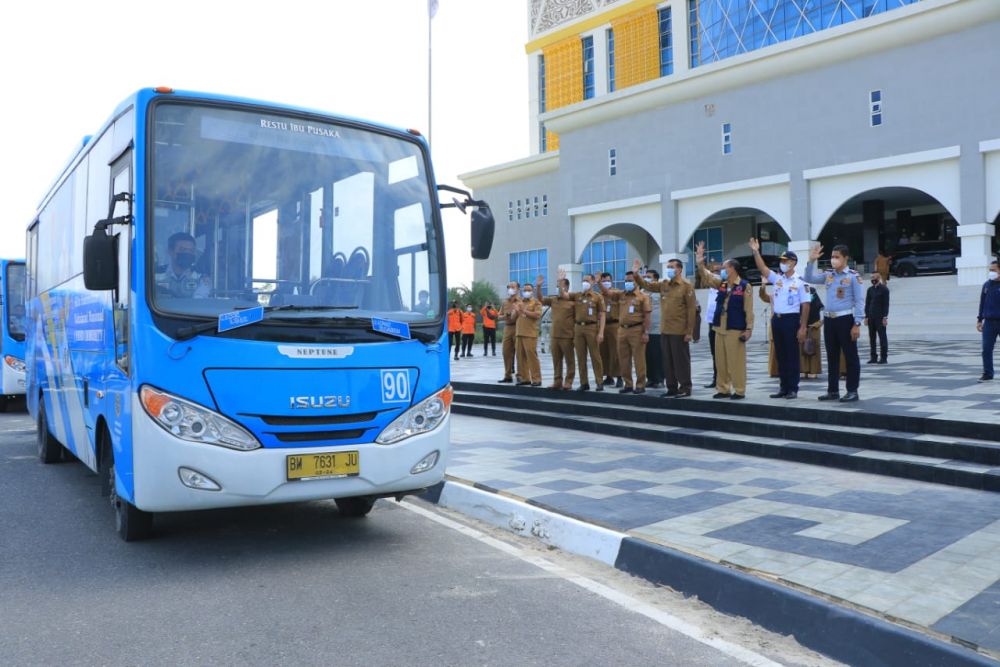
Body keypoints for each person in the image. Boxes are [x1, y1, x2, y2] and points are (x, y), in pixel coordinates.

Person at [804, 244, 865, 402]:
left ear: (845, 258)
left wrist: (857, 323)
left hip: (845, 320)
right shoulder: (828, 275)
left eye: (837, 257)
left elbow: (859, 301)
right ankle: (833, 391)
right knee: (832, 357)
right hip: (829, 320)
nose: (833, 260)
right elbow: (809, 278)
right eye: (832, 256)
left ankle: (852, 390)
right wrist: (811, 260)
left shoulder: (853, 276)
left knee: (850, 356)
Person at [749, 242, 810, 399]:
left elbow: (806, 305)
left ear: (793, 262)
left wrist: (803, 327)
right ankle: (783, 387)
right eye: (781, 261)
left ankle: (793, 388)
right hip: (777, 320)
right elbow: (763, 269)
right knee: (780, 355)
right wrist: (756, 252)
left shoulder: (801, 281)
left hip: (791, 320)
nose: (782, 264)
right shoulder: (778, 279)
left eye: (785, 261)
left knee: (791, 355)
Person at [696, 243, 754, 400]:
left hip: (735, 328)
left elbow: (749, 310)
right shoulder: (721, 284)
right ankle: (723, 389)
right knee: (721, 362)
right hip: (719, 327)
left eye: (724, 268)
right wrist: (700, 261)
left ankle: (739, 390)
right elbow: (707, 276)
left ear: (733, 269)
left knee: (736, 362)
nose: (722, 270)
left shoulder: (744, 286)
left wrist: (748, 329)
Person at [634, 258, 697, 398]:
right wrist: (636, 274)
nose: (669, 269)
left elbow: (691, 310)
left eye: (671, 266)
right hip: (665, 329)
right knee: (667, 361)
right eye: (668, 266)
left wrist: (689, 331)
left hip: (679, 330)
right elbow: (647, 285)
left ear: (680, 269)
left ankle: (685, 387)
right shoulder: (664, 285)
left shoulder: (686, 286)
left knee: (681, 360)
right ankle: (672, 387)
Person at [598, 271, 652, 393]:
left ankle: (640, 384)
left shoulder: (643, 297)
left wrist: (645, 332)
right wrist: (598, 282)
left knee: (639, 359)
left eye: (630, 280)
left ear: (637, 281)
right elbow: (607, 292)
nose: (628, 283)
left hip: (637, 329)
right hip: (622, 330)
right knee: (623, 359)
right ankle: (628, 384)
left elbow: (647, 316)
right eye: (626, 281)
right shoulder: (621, 294)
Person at [560, 272, 606, 392]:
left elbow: (602, 315)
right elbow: (564, 295)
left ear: (592, 282)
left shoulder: (597, 297)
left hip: (592, 328)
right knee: (581, 357)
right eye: (583, 281)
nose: (585, 283)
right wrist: (561, 281)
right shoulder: (577, 295)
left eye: (587, 280)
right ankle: (584, 382)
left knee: (595, 356)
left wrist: (601, 332)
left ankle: (599, 381)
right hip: (578, 328)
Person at [536, 275, 575, 390]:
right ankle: (557, 381)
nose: (558, 287)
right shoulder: (554, 299)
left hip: (567, 335)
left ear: (567, 287)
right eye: (557, 285)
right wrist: (538, 287)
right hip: (555, 335)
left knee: (569, 360)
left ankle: (568, 381)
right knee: (556, 360)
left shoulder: (572, 301)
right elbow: (541, 299)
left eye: (561, 285)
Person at [156, 232, 210, 298]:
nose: (187, 253)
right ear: (170, 251)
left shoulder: (200, 276)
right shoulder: (155, 275)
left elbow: (199, 301)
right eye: (182, 249)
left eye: (191, 250)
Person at [513, 281, 543, 386]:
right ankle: (525, 378)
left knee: (532, 357)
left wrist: (524, 311)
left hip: (530, 333)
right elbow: (513, 318)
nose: (526, 292)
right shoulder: (519, 302)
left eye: (529, 290)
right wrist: (516, 310)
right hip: (519, 332)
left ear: (532, 291)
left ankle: (537, 379)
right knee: (520, 357)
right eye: (525, 290)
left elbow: (537, 315)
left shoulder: (536, 302)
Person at [598, 272, 622, 387]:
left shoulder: (616, 292)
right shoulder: (598, 295)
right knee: (604, 352)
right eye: (603, 281)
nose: (605, 283)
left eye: (607, 280)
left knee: (616, 352)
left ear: (611, 281)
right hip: (602, 325)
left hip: (614, 325)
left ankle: (620, 377)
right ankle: (608, 376)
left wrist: (598, 283)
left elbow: (608, 292)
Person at [977, 259, 1000, 382]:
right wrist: (980, 319)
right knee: (986, 349)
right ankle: (987, 373)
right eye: (990, 270)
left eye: (993, 270)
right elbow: (982, 303)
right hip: (989, 323)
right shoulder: (986, 285)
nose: (991, 272)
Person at [641, 269, 664, 389]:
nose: (646, 279)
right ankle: (650, 378)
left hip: (656, 328)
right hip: (643, 329)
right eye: (645, 277)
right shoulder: (642, 292)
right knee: (646, 356)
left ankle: (659, 379)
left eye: (648, 277)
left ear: (655, 279)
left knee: (657, 355)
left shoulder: (660, 291)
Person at [497, 282, 521, 383]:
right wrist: (505, 316)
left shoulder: (522, 301)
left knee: (519, 353)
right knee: (506, 352)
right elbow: (499, 316)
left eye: (513, 287)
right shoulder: (505, 302)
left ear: (518, 289)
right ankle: (507, 375)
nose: (510, 289)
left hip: (518, 327)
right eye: (509, 287)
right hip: (507, 328)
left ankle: (520, 375)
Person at [865, 273, 890, 364]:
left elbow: (886, 304)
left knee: (882, 337)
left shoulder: (884, 289)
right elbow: (867, 304)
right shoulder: (870, 290)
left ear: (879, 278)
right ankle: (873, 357)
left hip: (880, 317)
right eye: (871, 277)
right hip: (871, 317)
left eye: (874, 277)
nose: (872, 279)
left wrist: (885, 317)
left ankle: (884, 358)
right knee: (872, 338)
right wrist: (866, 317)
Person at [801, 286, 824, 379]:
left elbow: (821, 314)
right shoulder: (802, 301)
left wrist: (816, 325)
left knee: (814, 349)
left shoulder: (817, 301)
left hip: (814, 327)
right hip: (803, 326)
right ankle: (805, 370)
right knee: (803, 349)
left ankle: (814, 371)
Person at [757, 284, 780, 378]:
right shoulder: (773, 296)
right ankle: (774, 371)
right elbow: (763, 296)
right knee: (774, 349)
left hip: (787, 322)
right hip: (775, 324)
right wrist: (763, 285)